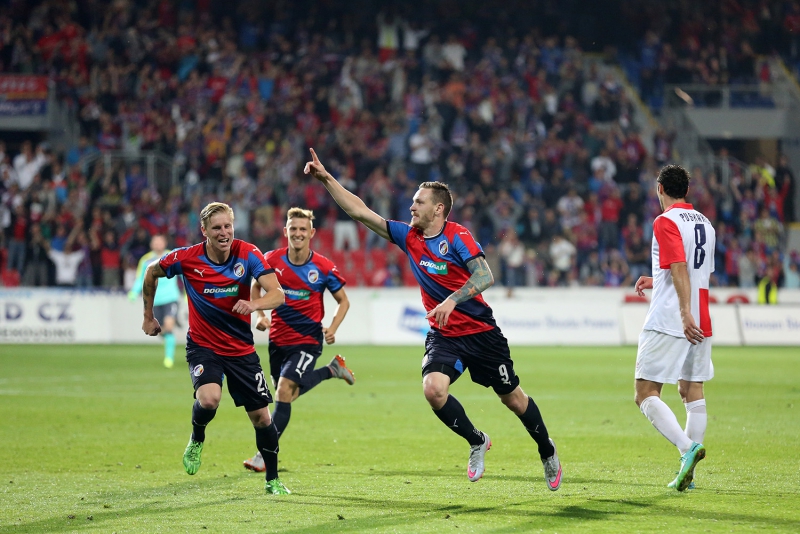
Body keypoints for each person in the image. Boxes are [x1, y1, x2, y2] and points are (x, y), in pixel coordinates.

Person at [304, 148, 562, 490]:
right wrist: (326, 179)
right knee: (433, 390)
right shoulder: (408, 237)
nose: (411, 207)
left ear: (438, 209)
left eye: (418, 202)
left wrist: (452, 300)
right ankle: (477, 440)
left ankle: (546, 450)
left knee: (513, 399)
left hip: (482, 334)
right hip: (444, 335)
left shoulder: (457, 236)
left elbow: (485, 276)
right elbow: (360, 212)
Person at [141, 202, 291, 495]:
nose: (224, 233)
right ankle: (197, 438)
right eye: (217, 228)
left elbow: (278, 294)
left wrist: (255, 304)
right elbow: (150, 271)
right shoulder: (187, 258)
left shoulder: (248, 253)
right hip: (204, 345)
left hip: (241, 350)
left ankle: (272, 480)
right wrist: (148, 316)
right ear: (204, 231)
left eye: (227, 226)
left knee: (262, 418)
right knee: (209, 399)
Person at [243, 207, 355, 472]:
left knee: (283, 391)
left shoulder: (323, 267)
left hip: (307, 340)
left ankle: (264, 455)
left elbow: (343, 301)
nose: (298, 233)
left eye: (303, 229)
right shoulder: (272, 260)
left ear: (312, 233)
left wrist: (333, 328)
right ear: (285, 231)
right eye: (293, 228)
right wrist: (260, 314)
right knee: (287, 395)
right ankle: (332, 370)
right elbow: (255, 287)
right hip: (278, 339)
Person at [633, 164, 716, 492]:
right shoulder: (706, 224)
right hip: (702, 316)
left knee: (645, 393)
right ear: (687, 190)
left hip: (673, 318)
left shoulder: (665, 221)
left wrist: (683, 313)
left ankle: (687, 448)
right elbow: (696, 272)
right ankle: (689, 474)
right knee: (691, 390)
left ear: (660, 189)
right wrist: (658, 280)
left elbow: (680, 266)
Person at [129, 234, 182, 368]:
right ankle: (168, 342)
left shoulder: (173, 256)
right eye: (155, 242)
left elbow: (183, 274)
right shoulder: (146, 260)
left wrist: (189, 292)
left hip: (171, 298)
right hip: (155, 301)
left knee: (168, 326)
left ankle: (169, 359)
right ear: (151, 244)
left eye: (160, 242)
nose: (158, 244)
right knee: (160, 331)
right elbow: (140, 278)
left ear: (165, 243)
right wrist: (134, 292)